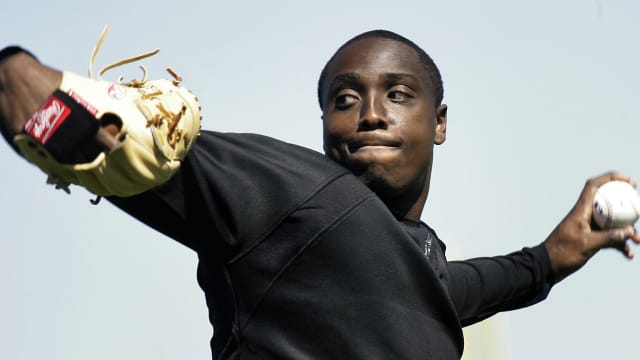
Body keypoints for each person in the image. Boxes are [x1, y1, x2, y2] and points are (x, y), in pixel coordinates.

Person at [0, 30, 638, 359]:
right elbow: (143, 150)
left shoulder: (421, 269)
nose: (370, 113)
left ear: (440, 122)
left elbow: (479, 284)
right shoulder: (291, 192)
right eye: (345, 98)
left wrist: (555, 256)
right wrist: (29, 83)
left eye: (398, 94)